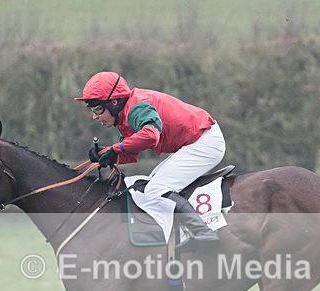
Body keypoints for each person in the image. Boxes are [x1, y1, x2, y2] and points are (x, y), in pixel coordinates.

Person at [75, 71, 225, 249]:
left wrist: (115, 149)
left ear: (114, 102)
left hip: (204, 141)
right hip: (196, 140)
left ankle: (203, 233)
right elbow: (132, 154)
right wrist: (109, 156)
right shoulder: (126, 115)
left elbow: (151, 135)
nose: (95, 116)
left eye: (98, 109)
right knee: (149, 186)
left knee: (156, 189)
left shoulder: (137, 108)